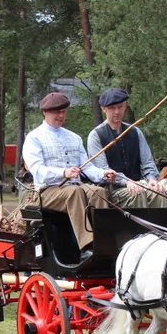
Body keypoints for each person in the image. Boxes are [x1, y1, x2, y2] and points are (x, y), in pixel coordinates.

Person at [22, 92, 115, 264]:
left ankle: (106, 242)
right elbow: (38, 170)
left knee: (98, 191)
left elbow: (87, 167)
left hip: (75, 187)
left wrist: (103, 174)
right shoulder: (34, 138)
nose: (61, 116)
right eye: (56, 112)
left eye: (64, 112)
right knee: (75, 193)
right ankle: (87, 247)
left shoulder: (74, 137)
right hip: (47, 192)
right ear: (45, 112)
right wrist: (63, 172)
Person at [87, 87, 166, 208]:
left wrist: (152, 179)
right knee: (137, 193)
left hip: (140, 184)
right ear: (103, 109)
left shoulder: (135, 132)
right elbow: (103, 170)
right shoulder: (96, 135)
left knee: (159, 192)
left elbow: (148, 162)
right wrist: (127, 182)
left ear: (125, 106)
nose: (117, 112)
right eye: (112, 108)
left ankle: (160, 226)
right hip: (113, 189)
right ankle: (139, 227)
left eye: (120, 107)